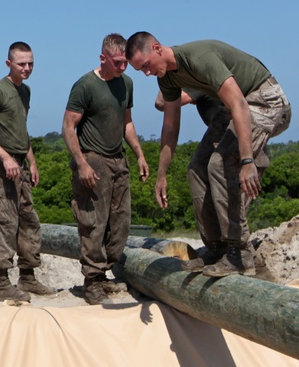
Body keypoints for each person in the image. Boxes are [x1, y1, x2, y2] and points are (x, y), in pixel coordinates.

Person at [127, 33, 291, 277]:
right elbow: (170, 128)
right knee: (197, 167)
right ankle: (216, 248)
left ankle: (239, 253)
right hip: (235, 105)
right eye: (140, 70)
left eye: (146, 65)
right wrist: (162, 175)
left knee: (220, 164)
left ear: (157, 48)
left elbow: (240, 105)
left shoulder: (199, 59)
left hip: (264, 99)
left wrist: (247, 161)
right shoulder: (168, 79)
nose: (147, 73)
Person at [62, 34, 150, 305]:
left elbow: (127, 123)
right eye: (118, 62)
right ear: (103, 58)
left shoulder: (127, 83)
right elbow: (68, 127)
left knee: (121, 222)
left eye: (125, 62)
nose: (123, 67)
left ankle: (104, 273)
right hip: (93, 158)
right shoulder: (85, 85)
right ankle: (92, 280)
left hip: (118, 159)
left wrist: (139, 155)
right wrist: (82, 163)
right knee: (93, 222)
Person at [153, 89, 275, 281]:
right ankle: (223, 253)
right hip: (236, 152)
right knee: (227, 213)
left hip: (242, 156)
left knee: (234, 215)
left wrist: (172, 82)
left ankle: (258, 273)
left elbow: (162, 102)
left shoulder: (196, 80)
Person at [0, 41, 54, 302]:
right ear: (9, 64)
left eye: (31, 63)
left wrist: (31, 161)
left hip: (20, 164)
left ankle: (28, 277)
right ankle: (2, 284)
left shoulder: (25, 91)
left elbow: (21, 130)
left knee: (29, 221)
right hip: (0, 166)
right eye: (22, 64)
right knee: (4, 223)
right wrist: (6, 157)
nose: (27, 68)